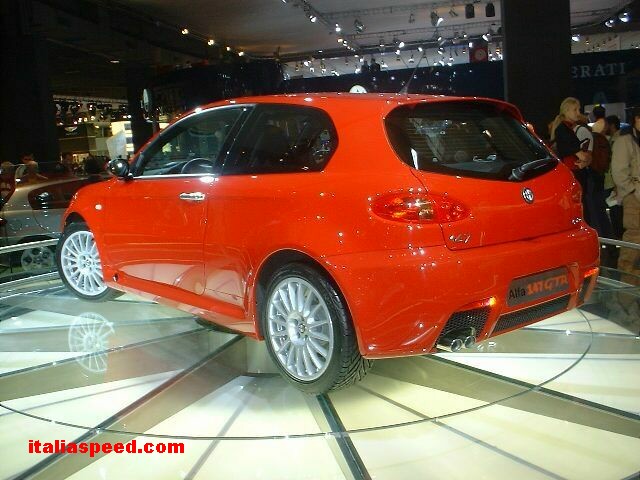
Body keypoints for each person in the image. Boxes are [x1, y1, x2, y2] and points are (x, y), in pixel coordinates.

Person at [611, 108, 640, 329]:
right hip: (634, 202)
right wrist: (632, 191)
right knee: (631, 248)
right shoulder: (625, 141)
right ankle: (625, 300)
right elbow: (619, 172)